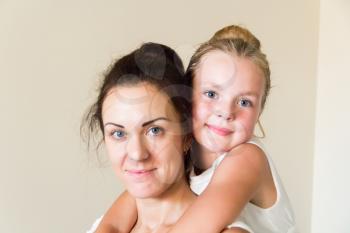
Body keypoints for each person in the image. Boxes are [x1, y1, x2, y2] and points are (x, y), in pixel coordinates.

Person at [92, 25, 297, 233]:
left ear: (260, 111)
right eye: (211, 94)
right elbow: (114, 222)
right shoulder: (181, 156)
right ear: (188, 97)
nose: (225, 112)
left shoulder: (246, 158)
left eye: (244, 102)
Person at [83, 43, 245, 233]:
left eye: (154, 130)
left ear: (186, 136)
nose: (136, 153)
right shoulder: (102, 227)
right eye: (118, 134)